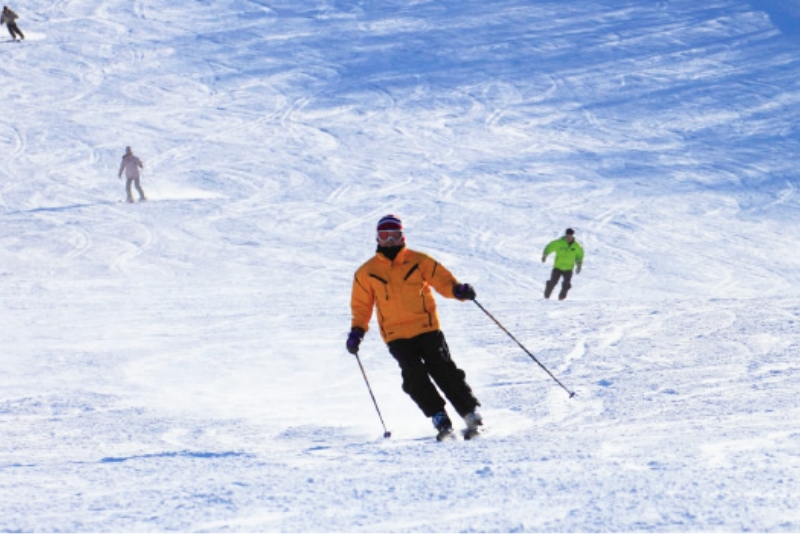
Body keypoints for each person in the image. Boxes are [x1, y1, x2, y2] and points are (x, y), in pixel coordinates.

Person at [347, 214, 482, 439]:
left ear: (402, 236)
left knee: (443, 369)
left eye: (394, 235)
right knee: (413, 377)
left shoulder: (419, 261)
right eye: (384, 236)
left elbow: (443, 281)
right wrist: (357, 331)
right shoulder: (366, 272)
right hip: (395, 335)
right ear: (377, 239)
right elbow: (362, 306)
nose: (389, 240)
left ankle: (469, 413)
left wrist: (458, 291)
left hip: (426, 327)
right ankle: (439, 417)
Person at [542, 228, 584, 300]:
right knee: (552, 282)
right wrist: (545, 254)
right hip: (558, 267)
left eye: (569, 236)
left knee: (566, 285)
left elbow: (579, 256)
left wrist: (579, 266)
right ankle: (546, 297)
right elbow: (550, 247)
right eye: (566, 236)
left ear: (572, 236)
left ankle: (561, 299)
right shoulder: (559, 242)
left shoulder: (577, 246)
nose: (567, 238)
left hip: (568, 269)